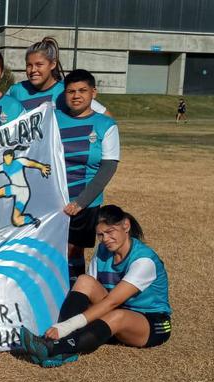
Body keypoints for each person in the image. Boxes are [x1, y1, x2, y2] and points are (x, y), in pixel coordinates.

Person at [18, 205, 172, 367]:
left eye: (110, 231)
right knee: (84, 280)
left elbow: (111, 302)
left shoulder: (143, 261)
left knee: (118, 315)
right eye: (100, 235)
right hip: (117, 311)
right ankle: (61, 341)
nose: (105, 239)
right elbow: (89, 289)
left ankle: (56, 348)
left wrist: (66, 325)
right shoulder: (103, 251)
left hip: (151, 323)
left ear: (125, 226)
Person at [54, 69, 120, 284]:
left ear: (94, 92)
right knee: (51, 249)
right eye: (71, 91)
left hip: (85, 202)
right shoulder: (52, 119)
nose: (76, 95)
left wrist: (81, 202)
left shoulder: (105, 125)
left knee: (74, 251)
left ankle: (75, 292)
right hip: (54, 199)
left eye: (82, 90)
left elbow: (108, 168)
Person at [8, 37, 108, 114]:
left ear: (53, 64)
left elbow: (105, 116)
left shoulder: (66, 90)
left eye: (39, 65)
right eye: (29, 65)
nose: (33, 70)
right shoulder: (16, 91)